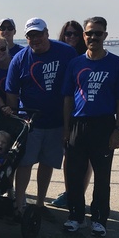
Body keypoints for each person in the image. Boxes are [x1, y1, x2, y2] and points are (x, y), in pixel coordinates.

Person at [61, 17, 119, 238]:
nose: (93, 37)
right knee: (74, 174)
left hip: (104, 124)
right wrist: (66, 128)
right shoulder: (76, 63)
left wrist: (118, 129)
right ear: (84, 36)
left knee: (102, 176)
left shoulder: (117, 64)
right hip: (78, 124)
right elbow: (67, 98)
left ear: (105, 36)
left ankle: (99, 219)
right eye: (89, 33)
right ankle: (76, 217)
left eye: (98, 34)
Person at [5, 18, 77, 218]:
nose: (35, 39)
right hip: (30, 124)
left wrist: (68, 124)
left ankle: (39, 204)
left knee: (47, 163)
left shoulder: (66, 53)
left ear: (47, 33)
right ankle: (19, 205)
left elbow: (74, 85)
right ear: (26, 38)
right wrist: (16, 121)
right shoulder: (19, 59)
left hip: (57, 122)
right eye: (30, 36)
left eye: (38, 34)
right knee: (25, 163)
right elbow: (11, 92)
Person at [51, 20, 89, 208]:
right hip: (63, 111)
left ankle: (78, 194)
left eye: (75, 34)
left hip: (83, 113)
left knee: (84, 157)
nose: (71, 37)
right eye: (68, 34)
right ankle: (70, 191)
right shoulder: (60, 56)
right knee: (69, 155)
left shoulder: (87, 56)